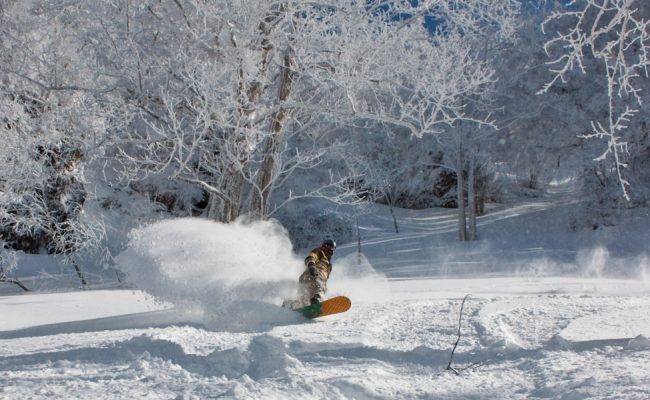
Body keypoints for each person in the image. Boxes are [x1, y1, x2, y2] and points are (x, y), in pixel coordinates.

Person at [298, 239, 336, 306]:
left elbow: (325, 280)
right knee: (321, 289)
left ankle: (292, 304)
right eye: (328, 246)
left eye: (332, 247)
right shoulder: (320, 252)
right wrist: (311, 265)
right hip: (314, 275)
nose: (330, 249)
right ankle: (317, 300)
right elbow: (311, 256)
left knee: (304, 298)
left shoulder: (329, 265)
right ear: (324, 246)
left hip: (306, 279)